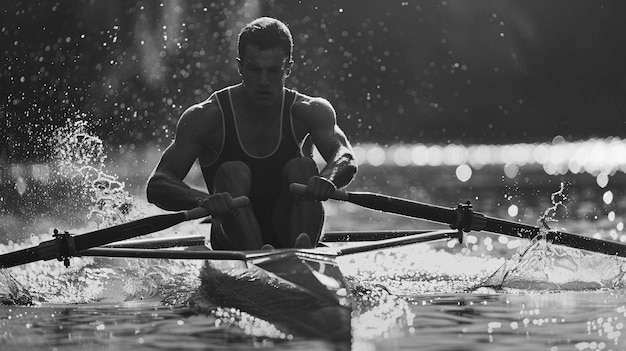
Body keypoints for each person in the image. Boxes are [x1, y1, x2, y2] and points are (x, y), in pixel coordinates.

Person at [146, 17, 357, 250]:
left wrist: (328, 179)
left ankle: (301, 253)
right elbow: (158, 184)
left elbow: (344, 156)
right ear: (240, 67)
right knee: (233, 172)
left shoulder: (309, 111)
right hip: (232, 238)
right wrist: (202, 200)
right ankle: (256, 257)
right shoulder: (207, 117)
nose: (264, 81)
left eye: (274, 70)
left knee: (303, 168)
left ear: (288, 68)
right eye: (254, 69)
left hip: (291, 228)